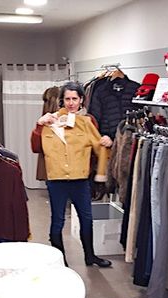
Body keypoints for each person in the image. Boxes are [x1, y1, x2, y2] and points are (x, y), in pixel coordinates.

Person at [31, 82, 113, 267]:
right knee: (57, 220)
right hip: (56, 180)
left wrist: (108, 141)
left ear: (82, 100)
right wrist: (39, 126)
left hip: (80, 180)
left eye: (74, 99)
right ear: (62, 100)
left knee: (87, 219)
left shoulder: (87, 122)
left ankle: (90, 256)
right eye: (67, 99)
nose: (71, 103)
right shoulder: (50, 120)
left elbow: (98, 146)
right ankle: (60, 261)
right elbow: (36, 147)